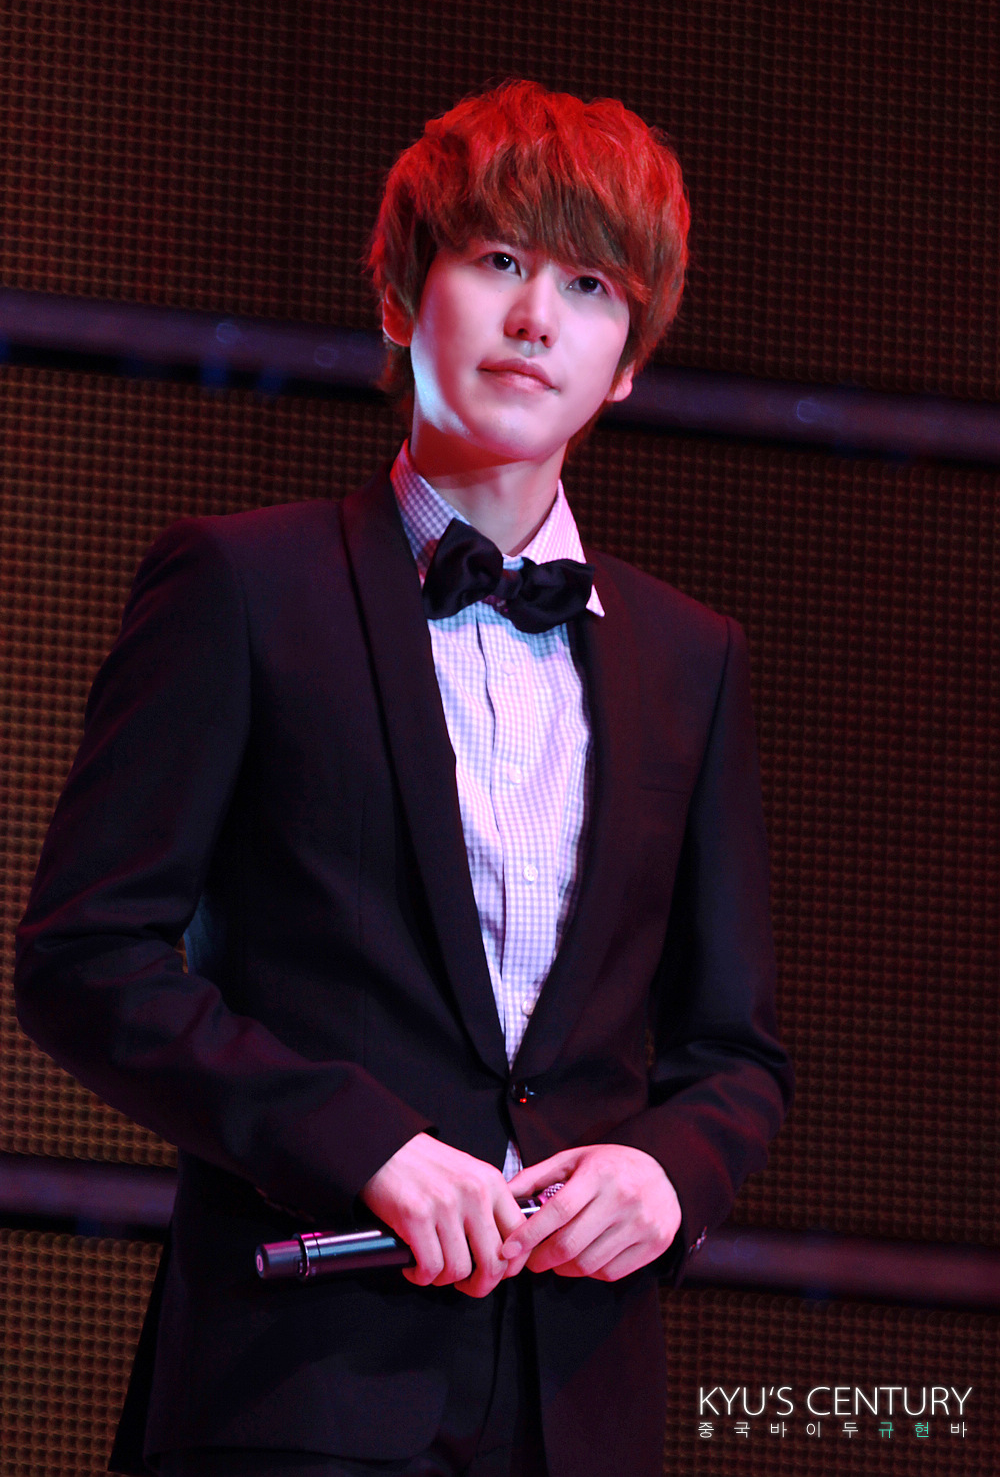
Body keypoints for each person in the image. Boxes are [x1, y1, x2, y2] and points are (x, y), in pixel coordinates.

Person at [15, 80, 792, 1477]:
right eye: (497, 260)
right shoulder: (243, 586)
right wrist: (358, 1142)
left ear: (627, 362)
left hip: (578, 1402)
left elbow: (731, 1053)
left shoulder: (694, 659)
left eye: (590, 286)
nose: (537, 316)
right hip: (297, 1384)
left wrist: (669, 1173)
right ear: (397, 296)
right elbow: (86, 959)